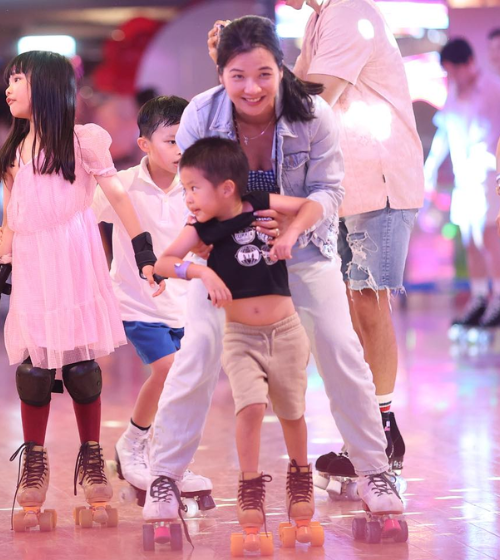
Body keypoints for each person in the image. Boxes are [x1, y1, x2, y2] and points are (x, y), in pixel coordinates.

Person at [142, 16, 403, 527]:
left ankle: (374, 470)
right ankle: (163, 478)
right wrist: (213, 247)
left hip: (301, 250)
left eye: (263, 73)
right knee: (195, 352)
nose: (251, 87)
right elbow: (191, 197)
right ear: (221, 74)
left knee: (339, 346)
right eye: (238, 76)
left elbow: (329, 191)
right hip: (225, 261)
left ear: (280, 68)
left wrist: (288, 227)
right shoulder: (200, 115)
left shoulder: (316, 114)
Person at [0, 51, 162, 530]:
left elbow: (117, 195)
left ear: (44, 85)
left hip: (77, 261)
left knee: (81, 368)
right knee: (35, 370)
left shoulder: (83, 142)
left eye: (16, 79)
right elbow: (10, 225)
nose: (8, 89)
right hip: (37, 268)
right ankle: (35, 465)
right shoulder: (15, 152)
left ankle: (92, 454)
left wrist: (144, 251)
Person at [157, 137, 323, 540]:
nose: (189, 199)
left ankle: (299, 478)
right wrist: (203, 272)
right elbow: (164, 262)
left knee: (292, 410)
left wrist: (289, 234)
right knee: (248, 408)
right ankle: (251, 489)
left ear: (227, 188)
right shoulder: (201, 229)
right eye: (185, 190)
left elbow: (312, 205)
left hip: (286, 332)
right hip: (240, 337)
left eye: (194, 188)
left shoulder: (259, 202)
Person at [91, 95, 212, 505]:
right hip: (136, 303)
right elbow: (80, 220)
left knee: (181, 383)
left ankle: (163, 458)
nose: (181, 151)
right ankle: (138, 447)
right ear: (144, 144)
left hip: (188, 305)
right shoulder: (121, 185)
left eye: (188, 141)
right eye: (172, 141)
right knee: (169, 370)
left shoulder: (199, 187)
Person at [425, 38, 500, 331]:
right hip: (464, 179)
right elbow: (444, 131)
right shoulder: (453, 93)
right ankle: (480, 297)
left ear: (467, 63)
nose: (450, 76)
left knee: (488, 237)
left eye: (452, 70)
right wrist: (430, 168)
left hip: (487, 177)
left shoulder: (493, 90)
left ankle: (497, 299)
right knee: (469, 239)